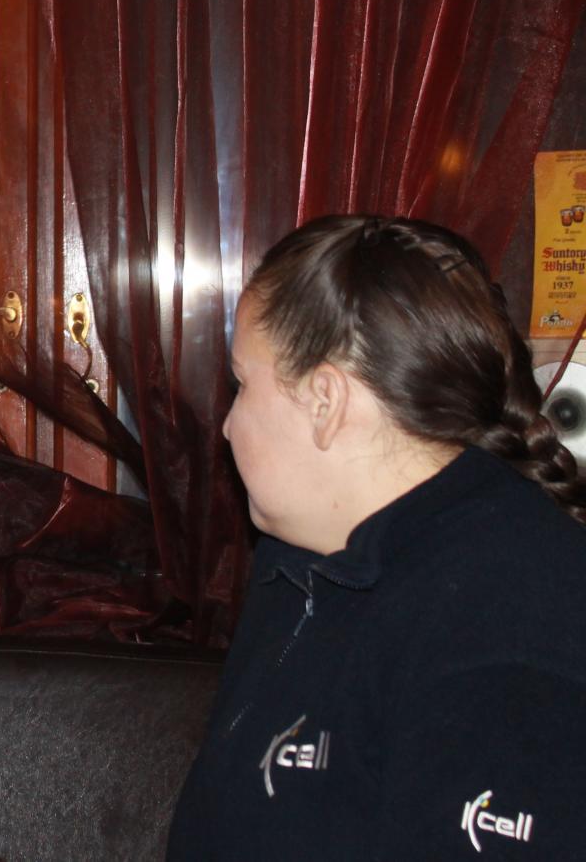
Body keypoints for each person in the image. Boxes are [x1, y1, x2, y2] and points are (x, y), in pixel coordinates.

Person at [168, 215, 586, 860]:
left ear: (326, 400)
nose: (226, 426)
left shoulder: (508, 626)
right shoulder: (305, 555)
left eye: (242, 385)